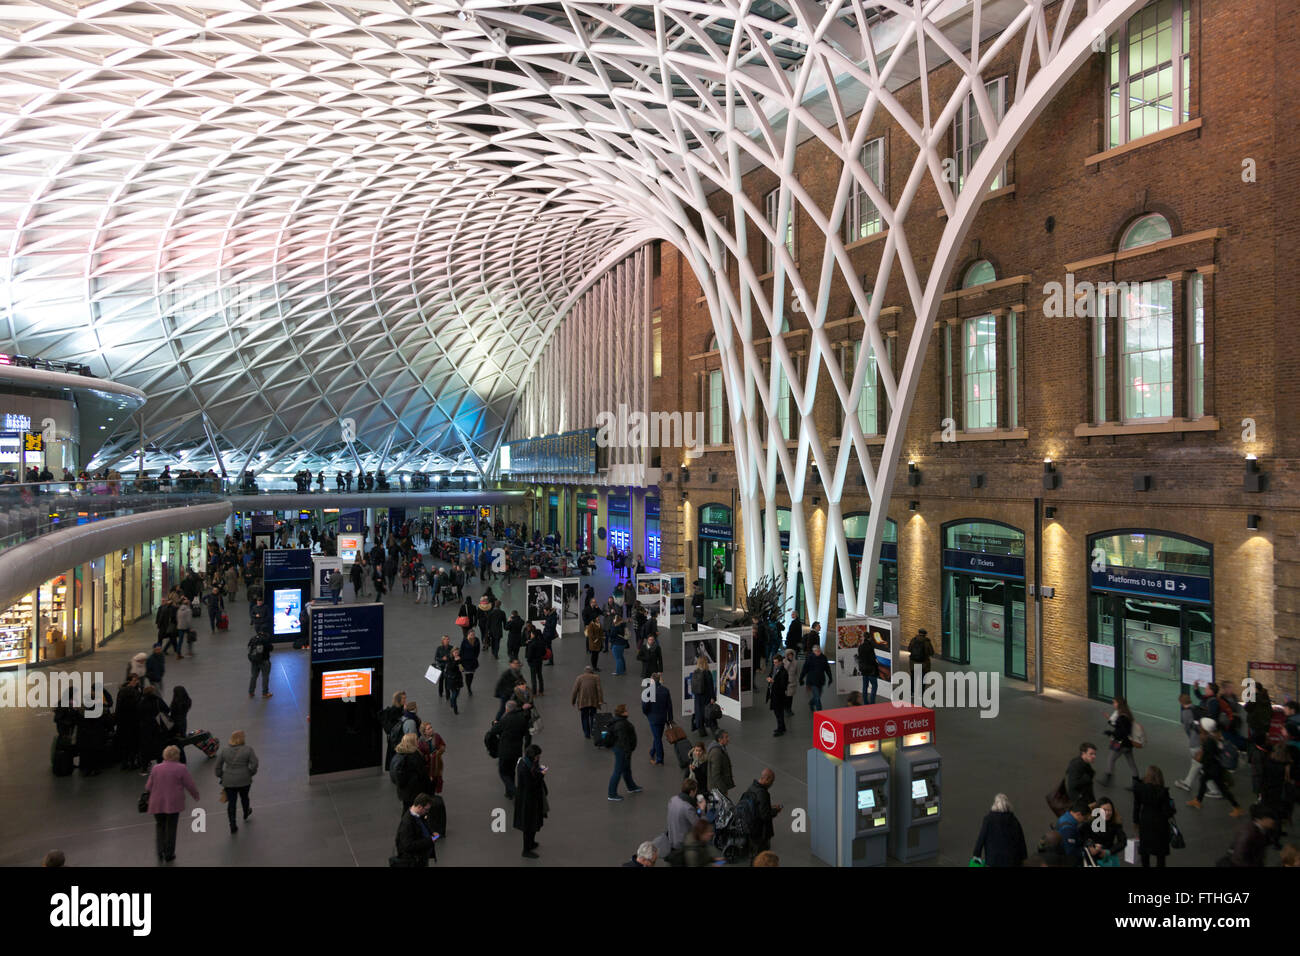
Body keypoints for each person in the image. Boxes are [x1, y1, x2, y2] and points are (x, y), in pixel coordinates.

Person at [145, 745, 200, 863]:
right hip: (173, 804)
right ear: (177, 756)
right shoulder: (181, 768)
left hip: (156, 803)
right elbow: (189, 784)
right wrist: (195, 795)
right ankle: (169, 854)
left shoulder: (156, 768)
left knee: (160, 826)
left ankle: (160, 851)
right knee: (171, 828)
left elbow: (148, 786)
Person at [1187, 718, 1245, 816]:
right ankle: (1198, 800)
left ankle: (1237, 807)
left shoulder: (1209, 741)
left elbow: (1208, 756)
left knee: (1222, 788)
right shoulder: (1211, 738)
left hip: (1213, 769)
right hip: (1212, 768)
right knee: (1203, 781)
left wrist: (1200, 758)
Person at [1175, 693, 1222, 799]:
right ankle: (1187, 782)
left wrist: (1191, 737)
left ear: (1181, 702)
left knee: (1201, 766)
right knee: (1197, 764)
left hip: (1195, 741)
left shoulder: (1185, 713)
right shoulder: (1197, 708)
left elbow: (1187, 728)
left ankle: (1214, 790)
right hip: (1202, 740)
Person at [215, 730, 259, 834]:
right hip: (244, 780)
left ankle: (233, 824)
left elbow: (218, 767)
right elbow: (254, 764)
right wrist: (250, 773)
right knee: (245, 797)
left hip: (229, 781)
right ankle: (246, 812)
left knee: (231, 802)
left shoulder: (224, 751)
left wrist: (222, 775)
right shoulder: (248, 750)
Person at [1132, 766, 1174, 867]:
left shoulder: (1140, 788)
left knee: (1145, 853)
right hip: (1160, 826)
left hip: (1145, 822)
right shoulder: (1163, 791)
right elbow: (1168, 812)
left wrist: (1136, 822)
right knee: (1160, 855)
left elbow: (1136, 807)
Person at [972, 793, 1028, 866]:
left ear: (994, 805)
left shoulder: (988, 820)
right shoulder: (1014, 820)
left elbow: (981, 838)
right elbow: (1021, 840)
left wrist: (976, 854)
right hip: (1012, 861)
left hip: (993, 861)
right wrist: (1024, 857)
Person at [514, 744, 548, 858]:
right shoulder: (524, 767)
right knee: (528, 825)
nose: (538, 758)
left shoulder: (525, 764)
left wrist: (539, 771)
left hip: (530, 799)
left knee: (532, 823)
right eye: (537, 756)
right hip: (527, 801)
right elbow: (530, 785)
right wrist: (541, 775)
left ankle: (531, 843)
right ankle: (526, 849)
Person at [738, 769, 782, 855]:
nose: (772, 784)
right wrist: (775, 810)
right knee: (761, 854)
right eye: (772, 781)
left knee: (753, 851)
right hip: (760, 831)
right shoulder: (763, 793)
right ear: (767, 779)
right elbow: (765, 815)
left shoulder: (752, 787)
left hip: (750, 825)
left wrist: (769, 807)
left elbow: (756, 806)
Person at [1099, 696, 1139, 788]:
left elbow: (1121, 731)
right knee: (1131, 762)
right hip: (1128, 743)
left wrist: (1111, 733)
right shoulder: (1126, 714)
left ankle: (1108, 779)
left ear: (1119, 704)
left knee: (1111, 759)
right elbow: (1120, 727)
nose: (1113, 704)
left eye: (1115, 702)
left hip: (1122, 743)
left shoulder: (1122, 717)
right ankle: (1136, 783)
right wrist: (1110, 721)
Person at [607, 703, 642, 801]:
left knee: (626, 769)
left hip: (622, 749)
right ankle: (612, 794)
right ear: (622, 713)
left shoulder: (620, 722)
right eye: (626, 710)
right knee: (618, 771)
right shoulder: (621, 724)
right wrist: (627, 752)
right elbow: (623, 740)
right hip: (622, 750)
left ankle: (631, 787)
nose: (627, 712)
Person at [393, 793, 439, 867]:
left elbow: (423, 827)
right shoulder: (407, 824)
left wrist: (431, 834)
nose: (427, 812)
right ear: (419, 807)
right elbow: (408, 845)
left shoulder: (419, 815)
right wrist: (430, 840)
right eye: (426, 809)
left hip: (420, 858)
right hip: (414, 861)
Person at [496, 701, 530, 799]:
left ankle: (514, 790)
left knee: (502, 772)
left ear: (506, 709)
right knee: (511, 771)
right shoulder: (522, 719)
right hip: (517, 750)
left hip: (505, 750)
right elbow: (526, 733)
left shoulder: (505, 719)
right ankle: (508, 793)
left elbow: (494, 730)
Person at [1055, 801, 1101, 867]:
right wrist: (1088, 851)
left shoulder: (1065, 817)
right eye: (1084, 818)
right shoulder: (1068, 829)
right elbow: (1071, 852)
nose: (1083, 821)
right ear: (1078, 814)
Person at [642, 672, 673, 766]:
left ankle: (660, 758)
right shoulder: (665, 690)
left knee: (657, 738)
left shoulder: (648, 691)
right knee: (658, 736)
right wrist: (670, 718)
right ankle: (652, 751)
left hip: (653, 718)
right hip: (663, 718)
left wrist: (647, 714)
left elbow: (645, 707)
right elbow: (669, 706)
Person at [390, 733, 427, 810]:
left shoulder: (399, 754)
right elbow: (422, 773)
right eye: (416, 740)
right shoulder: (414, 756)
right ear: (412, 742)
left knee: (407, 808)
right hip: (414, 790)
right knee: (415, 809)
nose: (418, 741)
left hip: (403, 791)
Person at [665, 778, 701, 853]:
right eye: (695, 791)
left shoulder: (673, 799)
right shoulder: (687, 808)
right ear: (691, 792)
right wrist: (701, 809)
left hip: (672, 837)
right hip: (682, 843)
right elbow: (698, 824)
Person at [571, 665, 604, 738]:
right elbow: (599, 690)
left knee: (584, 717)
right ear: (592, 671)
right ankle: (593, 731)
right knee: (593, 716)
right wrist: (600, 700)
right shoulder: (596, 677)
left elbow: (575, 690)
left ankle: (586, 733)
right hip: (593, 701)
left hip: (583, 701)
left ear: (584, 671)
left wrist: (573, 701)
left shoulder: (579, 678)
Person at [799, 643, 831, 713]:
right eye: (816, 651)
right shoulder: (810, 658)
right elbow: (805, 669)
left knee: (818, 696)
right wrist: (801, 678)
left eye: (819, 651)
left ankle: (811, 703)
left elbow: (827, 668)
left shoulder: (823, 657)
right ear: (813, 651)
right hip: (812, 681)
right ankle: (820, 713)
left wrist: (830, 678)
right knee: (817, 697)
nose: (818, 652)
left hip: (821, 680)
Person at [416, 722, 447, 795]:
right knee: (428, 782)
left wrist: (439, 752)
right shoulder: (421, 741)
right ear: (424, 732)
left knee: (437, 779)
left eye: (431, 727)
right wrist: (427, 756)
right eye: (428, 729)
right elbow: (420, 753)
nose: (431, 729)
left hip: (437, 763)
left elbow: (443, 745)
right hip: (427, 766)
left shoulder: (436, 736)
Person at [689, 655, 715, 739]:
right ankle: (714, 729)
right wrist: (713, 697)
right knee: (709, 713)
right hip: (706, 696)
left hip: (698, 697)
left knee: (699, 713)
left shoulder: (695, 672)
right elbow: (711, 687)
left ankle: (701, 731)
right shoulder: (707, 673)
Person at [1065, 742, 1098, 806]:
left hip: (1085, 798)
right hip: (1079, 801)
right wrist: (1087, 778)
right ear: (1083, 753)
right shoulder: (1077, 765)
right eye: (1091, 754)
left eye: (1095, 754)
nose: (1094, 756)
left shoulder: (1084, 763)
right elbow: (1072, 784)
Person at [907, 628, 933, 699]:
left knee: (913, 678)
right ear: (925, 634)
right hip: (923, 664)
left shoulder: (913, 640)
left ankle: (912, 692)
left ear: (918, 633)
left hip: (913, 663)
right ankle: (920, 694)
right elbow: (931, 652)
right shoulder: (927, 641)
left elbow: (909, 649)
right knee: (922, 679)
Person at [707, 730, 735, 798]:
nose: (728, 739)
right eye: (726, 737)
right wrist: (723, 789)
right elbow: (716, 774)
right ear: (720, 739)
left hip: (718, 788)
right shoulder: (717, 753)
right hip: (718, 789)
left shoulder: (720, 749)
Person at [247, 628, 273, 698]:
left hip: (254, 661)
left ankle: (251, 692)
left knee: (254, 676)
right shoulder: (266, 639)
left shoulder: (253, 638)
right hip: (264, 661)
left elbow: (249, 647)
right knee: (265, 676)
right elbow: (271, 648)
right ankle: (265, 693)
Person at [768, 653, 789, 736]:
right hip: (773, 694)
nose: (774, 664)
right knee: (778, 712)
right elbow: (770, 674)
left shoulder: (784, 672)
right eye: (774, 662)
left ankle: (780, 729)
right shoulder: (774, 668)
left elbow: (783, 686)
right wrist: (769, 678)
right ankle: (782, 727)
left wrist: (773, 681)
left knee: (779, 713)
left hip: (779, 696)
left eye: (776, 662)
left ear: (780, 662)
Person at [857, 637, 879, 704]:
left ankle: (865, 702)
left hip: (864, 669)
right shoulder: (870, 647)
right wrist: (876, 664)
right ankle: (872, 702)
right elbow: (872, 659)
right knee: (874, 685)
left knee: (865, 686)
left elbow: (860, 657)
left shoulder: (860, 647)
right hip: (871, 670)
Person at [442, 650, 464, 715]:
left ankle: (452, 701)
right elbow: (451, 667)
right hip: (451, 680)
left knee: (457, 693)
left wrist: (461, 667)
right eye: (455, 653)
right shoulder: (449, 659)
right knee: (454, 694)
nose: (457, 654)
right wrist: (456, 661)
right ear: (452, 653)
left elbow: (461, 668)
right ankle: (455, 708)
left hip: (458, 679)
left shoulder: (460, 658)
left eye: (457, 652)